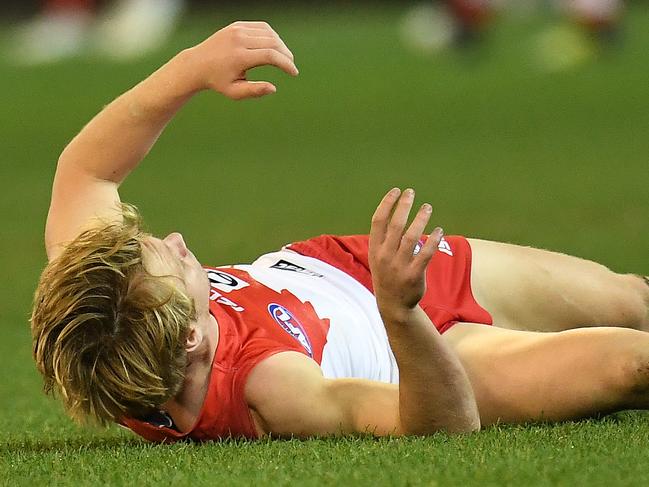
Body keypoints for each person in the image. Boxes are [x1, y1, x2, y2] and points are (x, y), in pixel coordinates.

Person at [31, 21, 649, 441]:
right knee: (632, 367)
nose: (179, 242)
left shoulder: (103, 303)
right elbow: (438, 425)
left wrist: (192, 68)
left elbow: (85, 172)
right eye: (177, 262)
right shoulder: (270, 388)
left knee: (634, 299)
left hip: (358, 268)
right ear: (193, 336)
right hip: (429, 357)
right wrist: (401, 313)